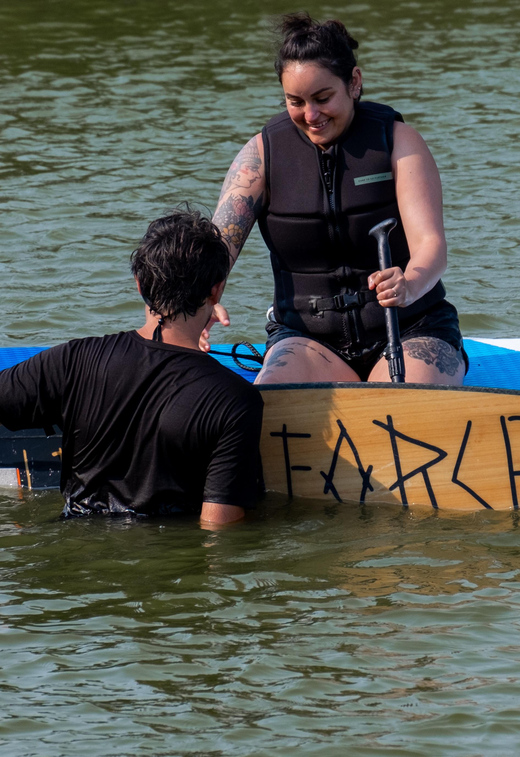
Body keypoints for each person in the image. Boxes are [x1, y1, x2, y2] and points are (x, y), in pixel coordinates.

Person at [206, 12, 467, 386]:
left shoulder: (399, 142)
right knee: (265, 408)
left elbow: (432, 246)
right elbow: (215, 251)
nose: (311, 115)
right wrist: (201, 301)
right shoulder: (260, 155)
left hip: (412, 330)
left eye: (323, 98)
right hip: (308, 342)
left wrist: (408, 283)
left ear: (354, 82)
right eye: (295, 101)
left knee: (397, 410)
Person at [0, 208, 264, 525]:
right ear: (217, 290)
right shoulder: (235, 400)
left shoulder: (73, 360)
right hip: (161, 561)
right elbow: (218, 528)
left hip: (73, 547)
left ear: (139, 284)